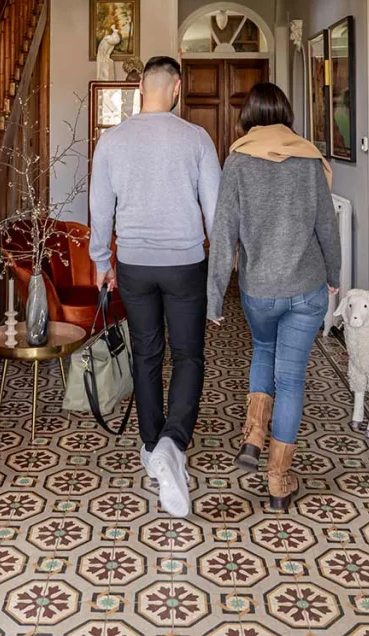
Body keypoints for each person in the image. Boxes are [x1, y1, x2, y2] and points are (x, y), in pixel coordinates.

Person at [89, 55, 222, 517]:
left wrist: (101, 262)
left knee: (146, 352)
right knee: (188, 355)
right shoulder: (196, 138)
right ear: (178, 88)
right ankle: (172, 442)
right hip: (185, 263)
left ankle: (151, 444)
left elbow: (100, 210)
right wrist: (221, 274)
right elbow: (217, 212)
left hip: (133, 264)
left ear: (141, 87)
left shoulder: (112, 140)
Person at [207, 82, 341, 512]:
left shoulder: (238, 162)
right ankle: (279, 481)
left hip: (259, 289)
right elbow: (328, 227)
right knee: (292, 380)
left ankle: (252, 436)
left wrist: (214, 300)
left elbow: (223, 236)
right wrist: (334, 276)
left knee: (263, 348)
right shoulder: (309, 159)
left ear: (247, 117)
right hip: (306, 287)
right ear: (286, 114)